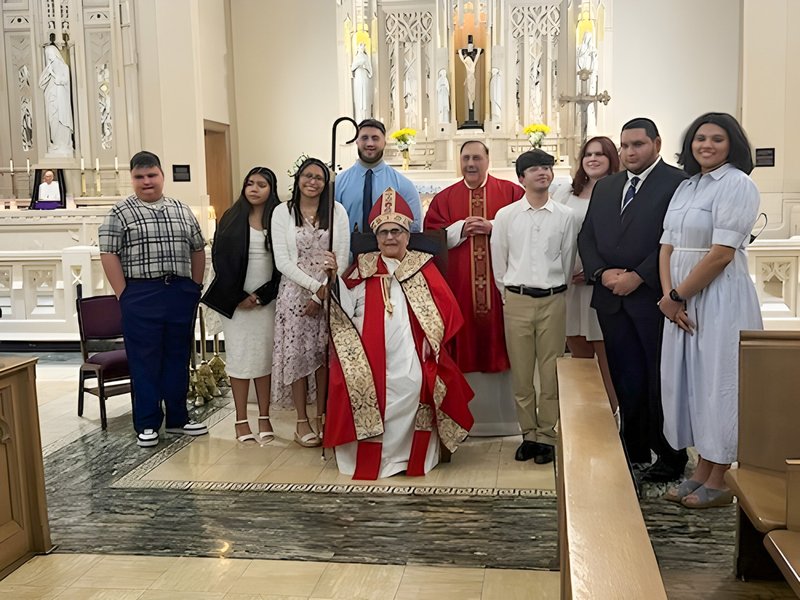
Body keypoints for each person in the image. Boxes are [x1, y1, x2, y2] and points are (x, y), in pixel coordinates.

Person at [325, 188, 474, 479]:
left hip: (411, 348)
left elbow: (446, 311)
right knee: (357, 381)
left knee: (413, 382)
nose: (390, 238)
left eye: (396, 231)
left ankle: (406, 456)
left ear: (407, 234)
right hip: (366, 349)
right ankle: (370, 458)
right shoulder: (365, 266)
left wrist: (433, 342)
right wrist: (333, 278)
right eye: (383, 233)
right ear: (376, 236)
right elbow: (345, 306)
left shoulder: (421, 266)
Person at [659, 113, 763, 508]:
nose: (707, 145)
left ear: (732, 144)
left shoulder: (738, 185)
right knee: (691, 382)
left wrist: (678, 295)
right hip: (681, 299)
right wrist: (670, 296)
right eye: (700, 138)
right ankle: (700, 469)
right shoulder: (687, 186)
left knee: (719, 382)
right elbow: (667, 245)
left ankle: (720, 477)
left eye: (717, 139)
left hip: (719, 299)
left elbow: (721, 254)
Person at [578, 118, 688, 482]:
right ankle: (635, 447)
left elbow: (672, 241)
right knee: (626, 377)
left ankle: (670, 456)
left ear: (656, 143)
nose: (629, 152)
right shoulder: (608, 186)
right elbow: (587, 236)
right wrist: (600, 273)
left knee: (661, 378)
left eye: (637, 144)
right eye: (625, 146)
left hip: (654, 299)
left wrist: (639, 276)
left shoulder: (678, 183)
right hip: (611, 299)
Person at [98, 151, 207, 448]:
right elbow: (108, 254)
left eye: (152, 175)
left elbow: (198, 248)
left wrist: (195, 285)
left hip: (179, 292)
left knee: (178, 355)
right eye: (139, 177)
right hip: (141, 294)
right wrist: (125, 294)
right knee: (144, 360)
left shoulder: (182, 210)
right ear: (132, 179)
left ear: (162, 176)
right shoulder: (120, 213)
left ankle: (177, 418)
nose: (147, 182)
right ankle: (146, 423)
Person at [424, 141, 525, 436]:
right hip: (460, 293)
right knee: (463, 341)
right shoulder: (444, 198)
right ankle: (467, 420)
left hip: (502, 290)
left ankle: (509, 420)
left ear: (487, 160)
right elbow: (432, 236)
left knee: (506, 341)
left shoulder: (511, 193)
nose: (471, 163)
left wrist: (493, 226)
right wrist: (460, 229)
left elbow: (527, 225)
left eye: (477, 158)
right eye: (466, 158)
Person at [492, 149, 577, 464]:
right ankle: (527, 434)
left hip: (553, 299)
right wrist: (509, 293)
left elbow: (567, 259)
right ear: (521, 178)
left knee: (551, 371)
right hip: (517, 299)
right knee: (522, 374)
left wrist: (557, 287)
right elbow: (498, 261)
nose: (543, 173)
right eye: (535, 169)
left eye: (547, 168)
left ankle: (547, 435)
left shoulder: (565, 216)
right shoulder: (506, 216)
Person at [271, 157, 350, 448]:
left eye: (319, 177)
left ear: (325, 183)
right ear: (298, 179)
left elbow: (343, 253)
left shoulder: (336, 211)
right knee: (297, 357)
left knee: (323, 356)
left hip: (329, 292)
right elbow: (282, 260)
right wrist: (314, 288)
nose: (313, 182)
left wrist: (323, 291)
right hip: (294, 294)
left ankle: (323, 417)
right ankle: (301, 421)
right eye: (308, 176)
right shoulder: (283, 212)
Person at [201, 167, 282, 444]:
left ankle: (264, 417)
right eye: (250, 183)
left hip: (267, 301)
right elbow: (221, 262)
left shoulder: (279, 218)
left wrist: (261, 296)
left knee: (263, 358)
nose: (255, 189)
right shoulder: (231, 218)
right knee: (239, 358)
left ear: (271, 189)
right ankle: (240, 419)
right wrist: (239, 296)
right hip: (237, 303)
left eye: (261, 184)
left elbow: (283, 264)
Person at [552, 136, 620, 419]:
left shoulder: (619, 191)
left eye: (600, 155)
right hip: (569, 284)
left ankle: (612, 413)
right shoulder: (567, 192)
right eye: (588, 154)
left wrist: (593, 272)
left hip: (599, 284)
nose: (592, 159)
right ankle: (586, 415)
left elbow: (621, 239)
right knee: (577, 344)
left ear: (611, 159)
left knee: (603, 346)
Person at [335, 118, 422, 234]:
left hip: (389, 251)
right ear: (357, 141)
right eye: (364, 138)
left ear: (384, 142)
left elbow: (414, 225)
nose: (370, 143)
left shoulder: (403, 184)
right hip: (349, 251)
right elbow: (330, 223)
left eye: (375, 138)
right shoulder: (339, 183)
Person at [39, 44, 74, 154]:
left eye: (51, 55)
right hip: (51, 101)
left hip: (62, 100)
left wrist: (54, 75)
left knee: (62, 121)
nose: (49, 58)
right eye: (48, 56)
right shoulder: (48, 69)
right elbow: (41, 84)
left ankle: (64, 144)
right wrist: (48, 73)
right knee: (53, 120)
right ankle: (56, 143)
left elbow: (64, 81)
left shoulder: (64, 67)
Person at [351, 43, 372, 123]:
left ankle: (366, 116)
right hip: (358, 77)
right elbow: (353, 67)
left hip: (364, 76)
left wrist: (366, 67)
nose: (362, 48)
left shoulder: (366, 57)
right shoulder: (356, 57)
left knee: (365, 95)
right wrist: (359, 63)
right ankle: (359, 118)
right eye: (360, 46)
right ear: (357, 48)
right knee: (359, 96)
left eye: (363, 47)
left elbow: (370, 69)